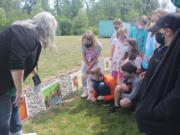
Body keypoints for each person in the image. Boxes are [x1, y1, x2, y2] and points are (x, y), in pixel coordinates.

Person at [0, 12, 57, 135]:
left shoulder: (29, 34)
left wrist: (35, 76)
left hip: (8, 83)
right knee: (4, 118)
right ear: (48, 29)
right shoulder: (27, 34)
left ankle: (16, 132)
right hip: (2, 84)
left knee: (15, 108)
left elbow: (28, 59)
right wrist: (20, 90)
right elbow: (17, 61)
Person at [135, 13, 180, 135]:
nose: (155, 35)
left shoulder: (176, 53)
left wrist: (155, 112)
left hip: (165, 120)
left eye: (157, 31)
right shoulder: (164, 49)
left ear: (168, 31)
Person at [81, 31, 102, 99]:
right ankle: (85, 91)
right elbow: (84, 56)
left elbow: (96, 58)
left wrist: (90, 67)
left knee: (91, 78)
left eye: (88, 42)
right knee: (84, 76)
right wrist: (87, 66)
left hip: (94, 64)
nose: (86, 44)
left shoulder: (98, 46)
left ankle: (91, 92)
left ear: (92, 40)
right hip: (86, 63)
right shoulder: (83, 44)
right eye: (85, 42)